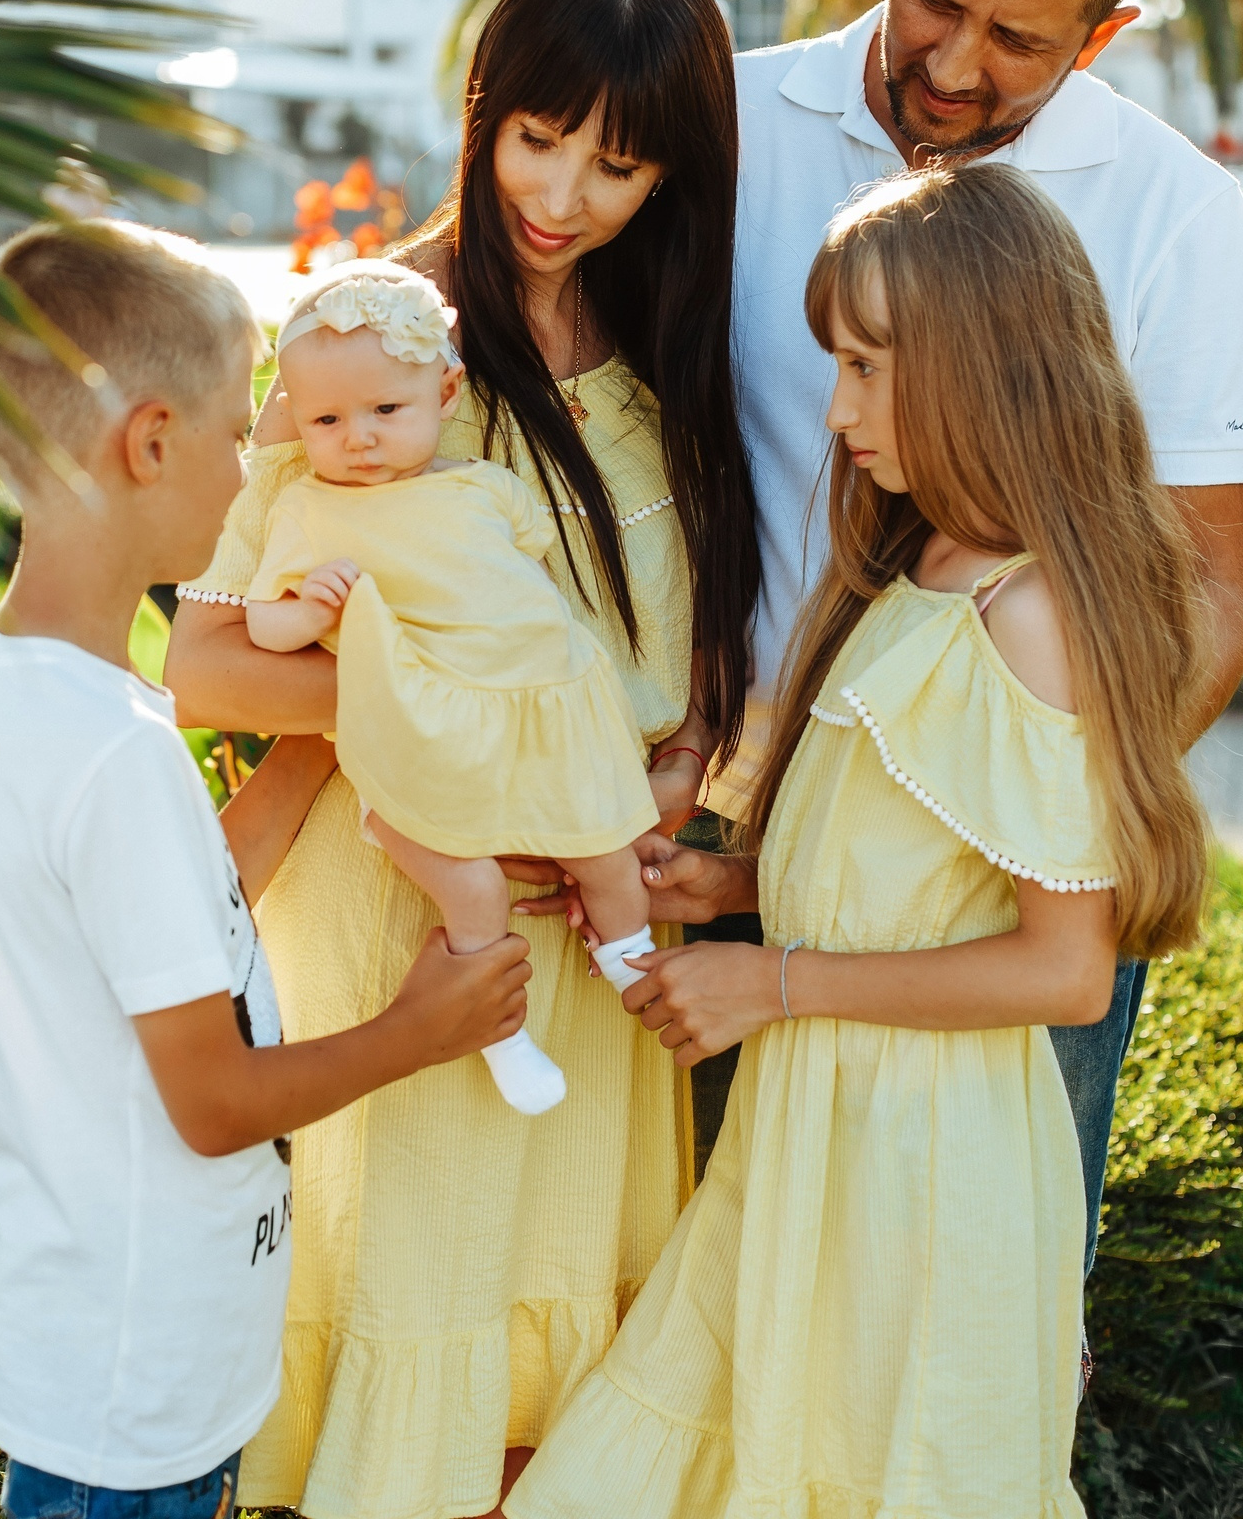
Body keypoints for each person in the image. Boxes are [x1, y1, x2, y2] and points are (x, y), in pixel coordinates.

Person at [506, 162, 1210, 1519]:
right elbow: (914, 873)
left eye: (872, 368)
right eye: (840, 363)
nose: (837, 412)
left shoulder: (1029, 616)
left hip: (921, 1181)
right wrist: (734, 882)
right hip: (821, 1138)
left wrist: (769, 981)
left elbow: (1065, 971)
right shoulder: (919, 568)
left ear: (985, 366)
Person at [164, 0, 759, 1519]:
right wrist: (468, 752)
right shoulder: (372, 346)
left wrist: (671, 776)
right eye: (537, 138)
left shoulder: (668, 359)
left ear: (671, 182)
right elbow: (210, 670)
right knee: (412, 1384)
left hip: (592, 929)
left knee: (554, 1418)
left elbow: (683, 659)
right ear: (484, 108)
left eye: (617, 167)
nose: (561, 196)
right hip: (415, 924)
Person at [713, 0, 1243, 1250]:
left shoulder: (1182, 220)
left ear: (1105, 35)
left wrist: (1004, 846)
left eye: (1017, 41)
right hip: (715, 844)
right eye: (932, 0)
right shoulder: (726, 112)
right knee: (723, 1300)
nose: (951, 64)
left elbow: (1212, 585)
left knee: (975, 1308)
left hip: (1007, 899)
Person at [0, 221, 530, 1519]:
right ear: (148, 444)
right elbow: (213, 1105)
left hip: (113, 1350)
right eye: (234, 433)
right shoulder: (113, 757)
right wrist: (416, 1031)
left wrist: (336, 728)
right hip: (132, 1394)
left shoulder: (32, 689)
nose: (253, 463)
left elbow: (172, 907)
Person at [244, 259, 663, 1116]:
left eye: (384, 411)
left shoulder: (485, 487)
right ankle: (501, 1036)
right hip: (418, 740)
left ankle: (636, 968)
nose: (357, 438)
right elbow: (263, 625)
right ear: (296, 416)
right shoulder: (310, 512)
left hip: (535, 720)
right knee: (470, 889)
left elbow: (532, 560)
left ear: (445, 393)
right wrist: (306, 605)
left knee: (604, 853)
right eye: (327, 419)